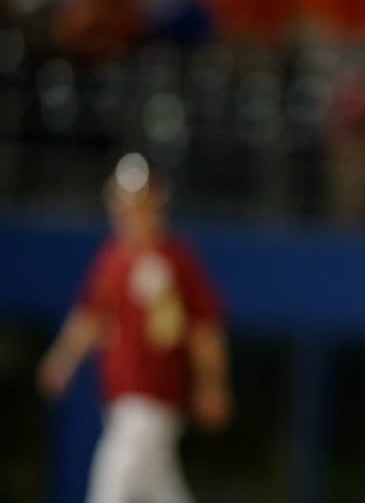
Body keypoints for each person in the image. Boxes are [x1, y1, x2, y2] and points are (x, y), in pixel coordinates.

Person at [37, 152, 232, 503]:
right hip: (122, 402)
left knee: (112, 480)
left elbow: (205, 331)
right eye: (126, 203)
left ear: (158, 202)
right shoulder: (113, 260)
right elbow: (89, 319)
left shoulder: (178, 261)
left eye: (142, 202)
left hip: (154, 401)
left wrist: (211, 383)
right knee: (161, 490)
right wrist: (62, 359)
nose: (133, 212)